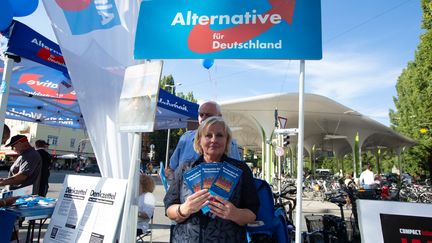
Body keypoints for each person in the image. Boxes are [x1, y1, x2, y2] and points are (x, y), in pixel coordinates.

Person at [164, 116, 259, 242]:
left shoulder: (240, 170)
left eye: (219, 135)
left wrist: (234, 213)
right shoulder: (185, 168)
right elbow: (169, 208)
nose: (214, 140)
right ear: (199, 140)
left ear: (227, 140)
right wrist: (184, 209)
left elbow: (252, 213)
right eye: (208, 135)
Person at [165, 101, 241, 179]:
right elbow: (171, 169)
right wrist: (171, 179)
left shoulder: (230, 142)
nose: (203, 118)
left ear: (219, 116)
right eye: (201, 115)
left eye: (208, 115)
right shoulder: (186, 138)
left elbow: (236, 172)